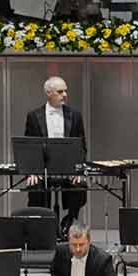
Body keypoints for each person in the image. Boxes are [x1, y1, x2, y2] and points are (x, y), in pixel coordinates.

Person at [22, 75, 89, 228]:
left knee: (80, 186)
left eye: (65, 91)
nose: (64, 95)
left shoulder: (75, 115)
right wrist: (31, 172)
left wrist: (78, 171)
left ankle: (69, 221)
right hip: (42, 169)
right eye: (60, 92)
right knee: (35, 188)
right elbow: (29, 147)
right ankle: (44, 225)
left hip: (68, 169)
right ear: (48, 93)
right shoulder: (33, 116)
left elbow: (82, 146)